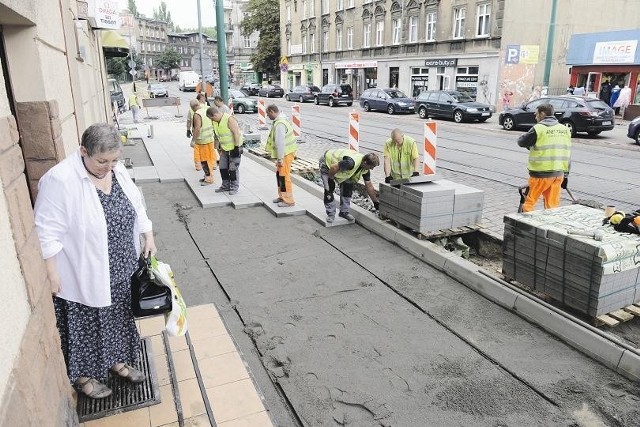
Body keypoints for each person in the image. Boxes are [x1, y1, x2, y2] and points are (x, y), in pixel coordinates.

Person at [34, 123, 157, 399]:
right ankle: (84, 376)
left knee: (117, 317)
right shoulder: (60, 180)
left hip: (122, 267)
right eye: (102, 161)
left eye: (114, 160)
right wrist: (52, 272)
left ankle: (117, 361)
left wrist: (147, 234)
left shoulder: (117, 170)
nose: (109, 167)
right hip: (84, 271)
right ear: (83, 152)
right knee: (86, 323)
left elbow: (137, 203)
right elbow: (46, 230)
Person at [517, 103, 571, 212]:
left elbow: (521, 142)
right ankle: (550, 227)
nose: (535, 116)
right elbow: (567, 154)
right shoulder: (565, 129)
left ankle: (524, 226)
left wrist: (531, 145)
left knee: (528, 203)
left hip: (540, 175)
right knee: (552, 207)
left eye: (536, 114)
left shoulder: (538, 128)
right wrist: (566, 175)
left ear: (542, 114)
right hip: (558, 175)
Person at [320, 149, 380, 223]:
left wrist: (375, 202)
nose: (372, 169)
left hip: (339, 168)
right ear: (365, 162)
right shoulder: (350, 163)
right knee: (329, 189)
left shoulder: (365, 169)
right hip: (327, 164)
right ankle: (331, 214)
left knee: (348, 186)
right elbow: (333, 167)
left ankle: (344, 212)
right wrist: (331, 179)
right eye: (371, 166)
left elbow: (369, 186)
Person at [265, 104, 298, 207]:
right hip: (286, 153)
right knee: (279, 176)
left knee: (284, 177)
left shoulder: (280, 124)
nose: (267, 116)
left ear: (271, 111)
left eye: (267, 114)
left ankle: (288, 201)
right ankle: (282, 196)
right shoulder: (281, 120)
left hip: (285, 154)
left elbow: (280, 143)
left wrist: (280, 159)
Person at [206, 106, 243, 195]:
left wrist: (236, 147)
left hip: (234, 148)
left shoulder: (229, 119)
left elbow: (236, 133)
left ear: (214, 115)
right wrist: (218, 147)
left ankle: (234, 187)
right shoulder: (215, 122)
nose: (211, 120)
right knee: (222, 168)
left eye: (211, 118)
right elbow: (218, 135)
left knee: (233, 169)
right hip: (225, 149)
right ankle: (225, 186)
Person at [191, 99, 218, 186]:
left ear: (192, 108)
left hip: (203, 141)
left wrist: (193, 140)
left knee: (205, 161)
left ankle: (209, 178)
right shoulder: (206, 109)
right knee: (209, 159)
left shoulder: (197, 114)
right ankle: (207, 175)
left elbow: (197, 128)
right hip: (210, 138)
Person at [187, 93, 207, 171]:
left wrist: (188, 130)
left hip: (198, 135)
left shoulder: (193, 111)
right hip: (208, 136)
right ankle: (213, 165)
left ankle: (198, 166)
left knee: (197, 151)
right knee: (209, 151)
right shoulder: (206, 108)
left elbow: (190, 122)